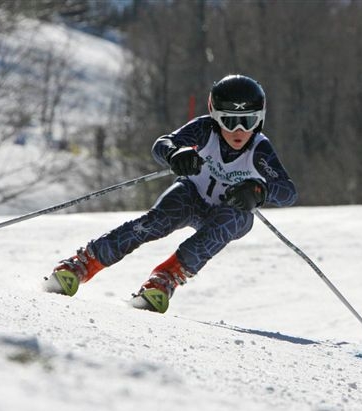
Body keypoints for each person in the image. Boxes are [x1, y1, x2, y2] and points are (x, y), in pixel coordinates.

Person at [45, 74, 297, 313]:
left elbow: (287, 192)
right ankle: (82, 264)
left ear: (260, 119)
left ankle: (164, 280)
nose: (239, 131)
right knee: (155, 222)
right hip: (191, 195)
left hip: (229, 212)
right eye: (230, 121)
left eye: (248, 121)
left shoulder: (259, 148)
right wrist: (175, 154)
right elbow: (162, 144)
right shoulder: (204, 129)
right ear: (215, 116)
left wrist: (259, 191)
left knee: (225, 224)